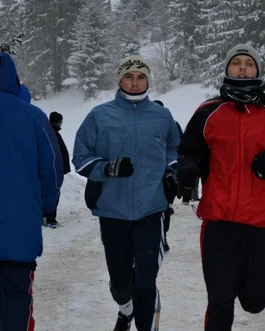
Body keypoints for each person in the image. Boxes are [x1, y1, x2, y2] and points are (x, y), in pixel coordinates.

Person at [177, 44, 265, 330]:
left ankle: (252, 290)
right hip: (218, 224)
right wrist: (189, 168)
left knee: (254, 301)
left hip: (261, 226)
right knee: (219, 301)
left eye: (248, 63)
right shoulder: (208, 112)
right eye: (236, 62)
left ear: (257, 70)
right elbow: (190, 151)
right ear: (227, 69)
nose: (242, 67)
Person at [73, 55, 179, 331]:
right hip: (113, 210)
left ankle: (145, 323)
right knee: (121, 284)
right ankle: (125, 309)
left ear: (148, 80)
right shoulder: (99, 115)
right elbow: (81, 157)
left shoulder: (162, 116)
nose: (135, 82)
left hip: (151, 209)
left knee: (145, 280)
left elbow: (173, 150)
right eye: (129, 77)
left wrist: (171, 172)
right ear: (119, 79)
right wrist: (107, 169)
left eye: (141, 77)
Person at [0, 52, 63, 331]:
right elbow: (52, 168)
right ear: (16, 81)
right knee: (17, 298)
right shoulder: (35, 117)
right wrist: (46, 205)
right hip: (21, 232)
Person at [153, 99, 183, 252]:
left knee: (164, 205)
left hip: (166, 172)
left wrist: (175, 167)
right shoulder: (144, 125)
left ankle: (163, 237)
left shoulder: (171, 124)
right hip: (151, 172)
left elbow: (180, 146)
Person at [44, 111, 71, 228]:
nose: (61, 123)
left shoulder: (51, 132)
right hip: (53, 170)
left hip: (54, 169)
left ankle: (47, 218)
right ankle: (50, 219)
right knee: (53, 194)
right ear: (57, 121)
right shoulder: (52, 133)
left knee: (51, 193)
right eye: (61, 121)